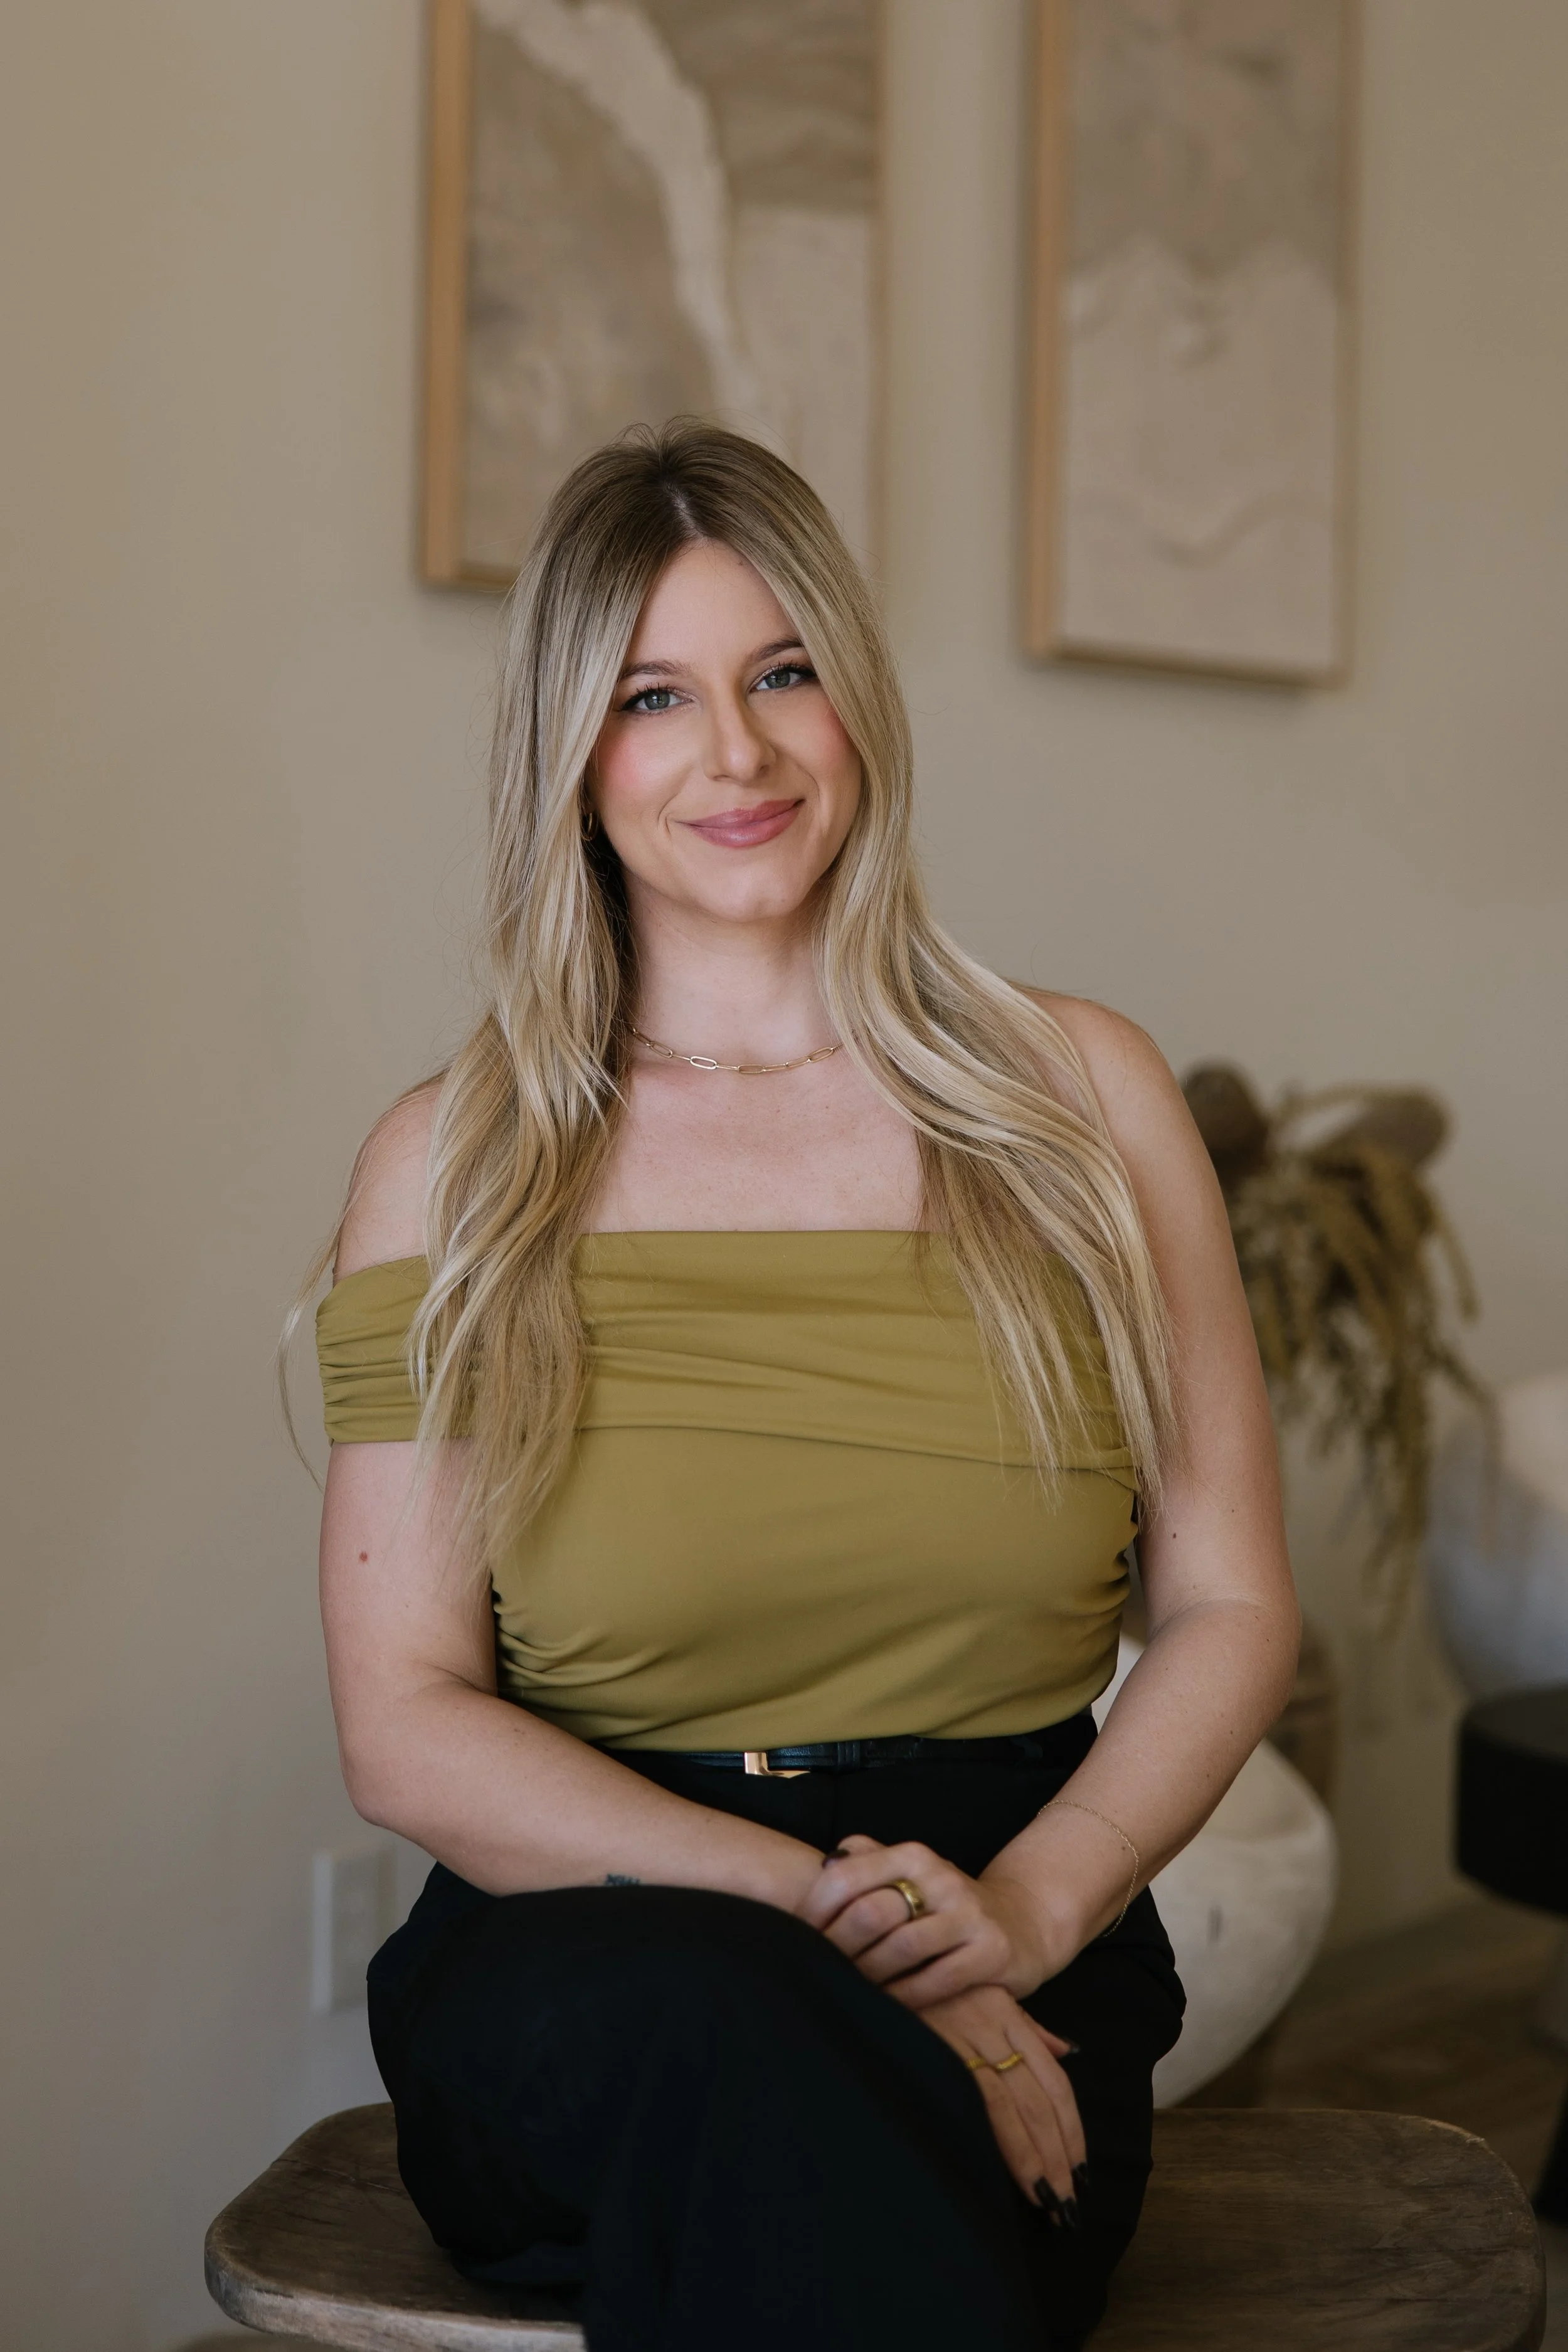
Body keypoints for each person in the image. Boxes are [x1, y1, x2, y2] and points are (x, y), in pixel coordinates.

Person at [305, 421, 1300, 2352]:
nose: (737, 752)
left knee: (812, 2146)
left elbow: (1230, 1604)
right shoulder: (454, 1161)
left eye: (781, 672)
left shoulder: (1082, 1099)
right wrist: (848, 1926)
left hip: (1015, 1918)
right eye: (651, 695)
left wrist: (1019, 1920)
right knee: (738, 2031)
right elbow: (405, 1724)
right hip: (585, 1948)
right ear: (569, 754)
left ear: (857, 699)